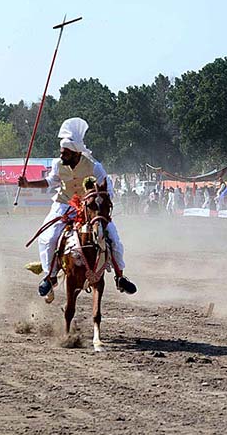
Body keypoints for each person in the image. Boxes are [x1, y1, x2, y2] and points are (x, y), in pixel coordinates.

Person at [18, 117, 137, 301]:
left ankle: (120, 277)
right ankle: (50, 277)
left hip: (88, 207)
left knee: (114, 239)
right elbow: (51, 181)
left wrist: (99, 204)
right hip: (63, 204)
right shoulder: (59, 165)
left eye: (64, 153)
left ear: (75, 153)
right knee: (47, 239)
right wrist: (27, 185)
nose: (61, 155)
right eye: (61, 152)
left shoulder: (94, 167)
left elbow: (108, 189)